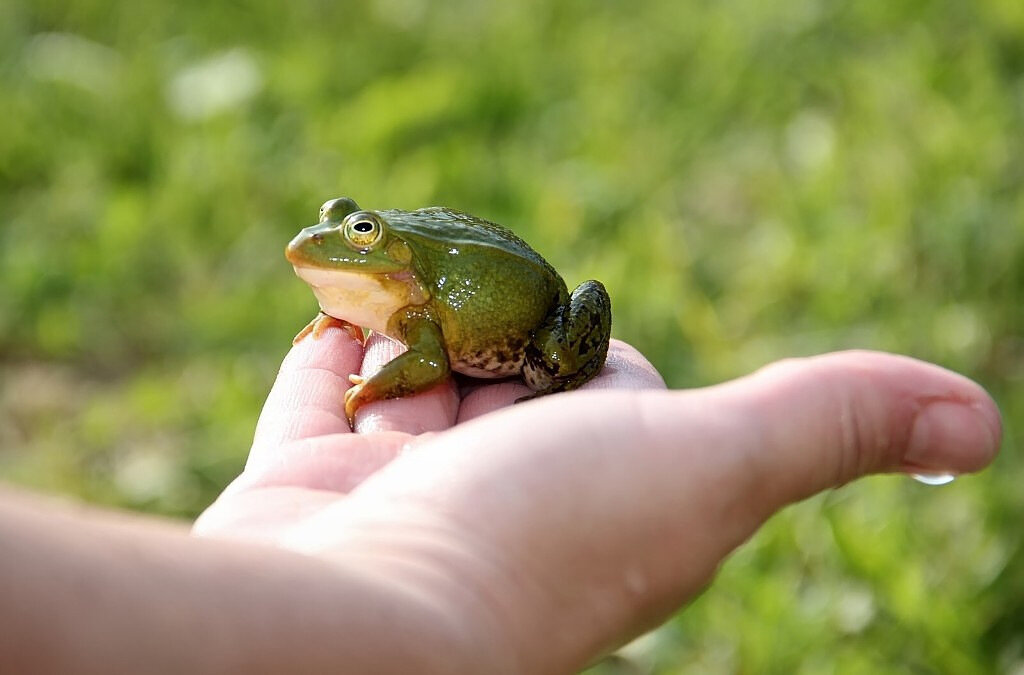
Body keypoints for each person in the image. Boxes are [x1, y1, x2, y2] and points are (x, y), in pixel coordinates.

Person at [0, 326, 1001, 673]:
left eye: (356, 235)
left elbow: (422, 355)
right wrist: (427, 608)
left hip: (534, 334)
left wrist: (427, 594)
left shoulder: (420, 325)